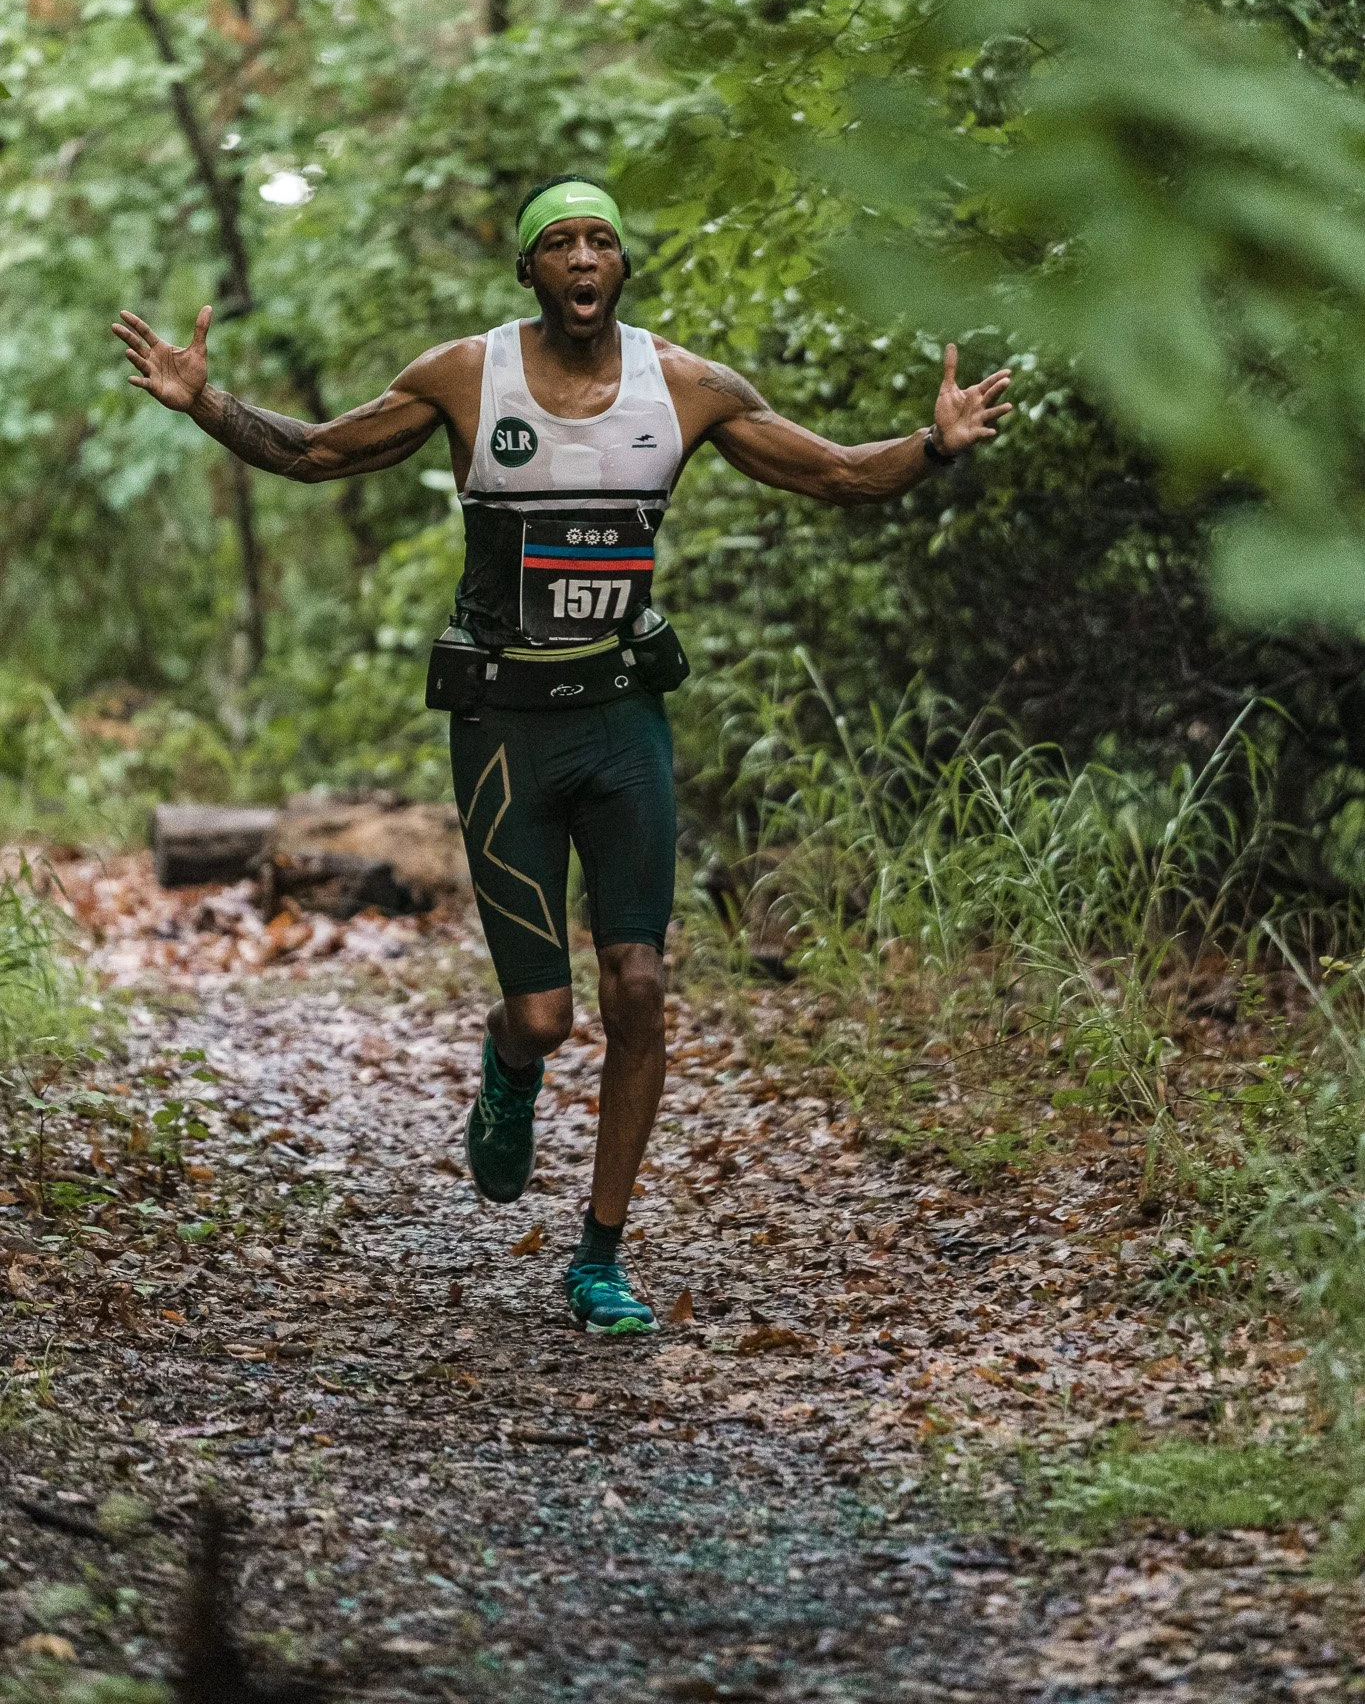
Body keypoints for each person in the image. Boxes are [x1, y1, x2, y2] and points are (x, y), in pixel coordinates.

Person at [111, 176, 1011, 1335]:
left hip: (623, 719)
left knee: (639, 985)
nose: (583, 258)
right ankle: (510, 1066)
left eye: (601, 241)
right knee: (544, 1016)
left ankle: (600, 1255)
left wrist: (932, 447)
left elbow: (835, 471)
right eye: (560, 243)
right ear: (529, 268)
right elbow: (320, 452)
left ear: (622, 265)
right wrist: (207, 403)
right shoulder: (465, 375)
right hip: (503, 728)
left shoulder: (684, 385)